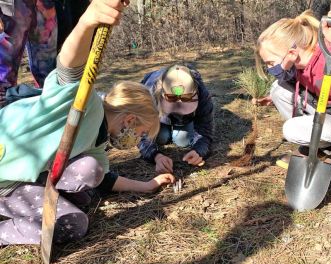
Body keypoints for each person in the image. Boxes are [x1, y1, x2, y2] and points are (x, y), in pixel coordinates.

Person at [0, 0, 175, 246]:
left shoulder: (97, 142)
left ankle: (35, 195)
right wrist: (87, 22)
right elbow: (69, 67)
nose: (137, 141)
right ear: (130, 119)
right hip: (5, 173)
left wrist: (147, 186)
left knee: (90, 173)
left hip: (24, 178)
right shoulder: (83, 99)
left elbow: (104, 177)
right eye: (141, 134)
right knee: (72, 223)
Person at [254, 9, 331, 181]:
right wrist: (273, 99)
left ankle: (328, 143)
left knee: (291, 129)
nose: (271, 69)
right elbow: (284, 77)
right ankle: (320, 146)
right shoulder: (301, 65)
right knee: (278, 89)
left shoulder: (330, 57)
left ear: (292, 53)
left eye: (271, 63)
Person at [138, 64, 214, 174]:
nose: (178, 109)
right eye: (172, 103)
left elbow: (205, 132)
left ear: (195, 93)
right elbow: (141, 135)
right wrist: (156, 156)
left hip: (184, 120)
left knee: (183, 140)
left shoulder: (203, 94)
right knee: (162, 137)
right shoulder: (149, 94)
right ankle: (165, 128)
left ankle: (175, 128)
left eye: (185, 104)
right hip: (159, 116)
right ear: (161, 94)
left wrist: (199, 151)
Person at [0, 0, 57, 107]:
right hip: (11, 7)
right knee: (4, 83)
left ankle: (49, 110)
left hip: (44, 5)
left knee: (48, 72)